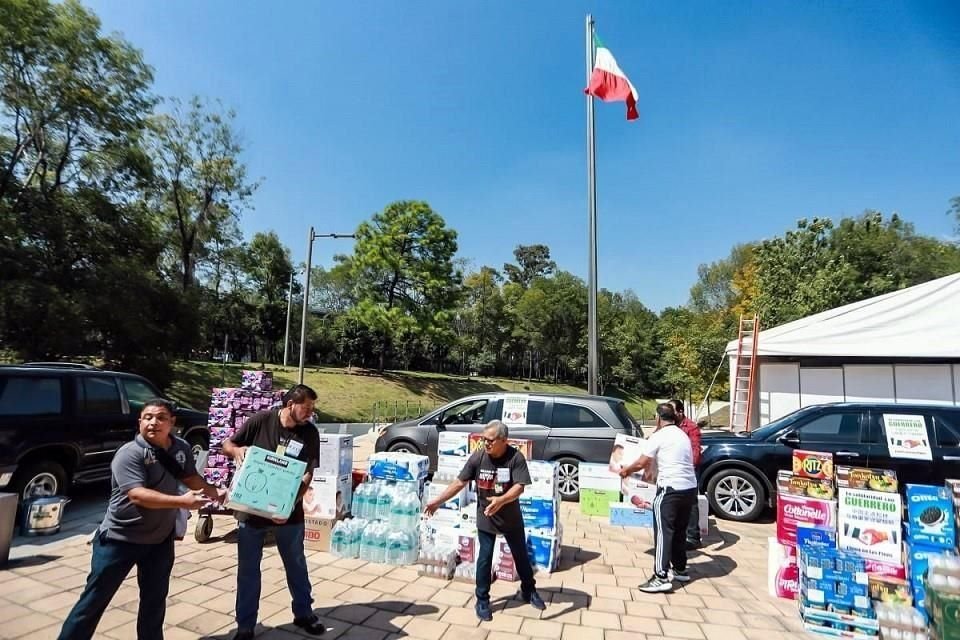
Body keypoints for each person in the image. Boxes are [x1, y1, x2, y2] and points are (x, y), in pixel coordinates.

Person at [58, 399, 225, 640]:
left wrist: (216, 492)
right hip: (120, 540)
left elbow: (190, 478)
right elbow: (137, 495)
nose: (153, 423)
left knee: (154, 603)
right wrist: (182, 502)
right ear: (139, 422)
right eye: (147, 417)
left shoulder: (181, 448)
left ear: (172, 423)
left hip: (159, 541)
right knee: (93, 602)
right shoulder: (129, 454)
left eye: (160, 418)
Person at [223, 385, 324, 640]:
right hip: (251, 513)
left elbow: (308, 474)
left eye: (313, 408)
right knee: (248, 570)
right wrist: (236, 451)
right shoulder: (261, 421)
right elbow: (228, 443)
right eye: (307, 407)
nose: (310, 413)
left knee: (296, 564)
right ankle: (245, 626)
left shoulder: (309, 433)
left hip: (288, 514)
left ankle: (304, 613)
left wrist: (288, 505)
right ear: (291, 404)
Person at [425, 420, 546, 622]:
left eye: (490, 440)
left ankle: (529, 590)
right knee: (484, 557)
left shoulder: (515, 458)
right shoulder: (479, 457)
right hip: (487, 516)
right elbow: (459, 482)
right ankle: (482, 600)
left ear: (503, 440)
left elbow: (520, 487)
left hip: (510, 517)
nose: (485, 443)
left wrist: (502, 500)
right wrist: (438, 501)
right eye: (483, 439)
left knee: (520, 555)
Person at [619, 403, 698, 593]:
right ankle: (680, 569)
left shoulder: (659, 436)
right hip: (689, 489)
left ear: (658, 418)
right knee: (679, 531)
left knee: (664, 532)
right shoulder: (682, 435)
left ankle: (660, 576)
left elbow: (642, 462)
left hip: (670, 490)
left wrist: (626, 470)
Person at [670, 399, 703, 550]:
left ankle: (693, 537)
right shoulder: (669, 426)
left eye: (672, 411)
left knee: (691, 502)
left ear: (680, 412)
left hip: (688, 469)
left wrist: (689, 469)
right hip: (673, 468)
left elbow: (695, 450)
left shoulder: (691, 427)